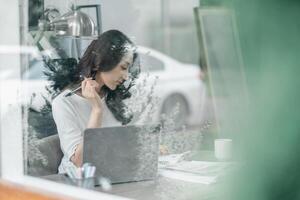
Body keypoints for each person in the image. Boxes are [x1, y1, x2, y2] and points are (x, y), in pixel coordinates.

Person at [51, 30, 139, 173]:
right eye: (123, 67)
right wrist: (97, 110)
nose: (126, 76)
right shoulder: (63, 103)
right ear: (100, 63)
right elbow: (80, 160)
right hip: (77, 182)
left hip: (112, 174)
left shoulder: (112, 96)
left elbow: (116, 146)